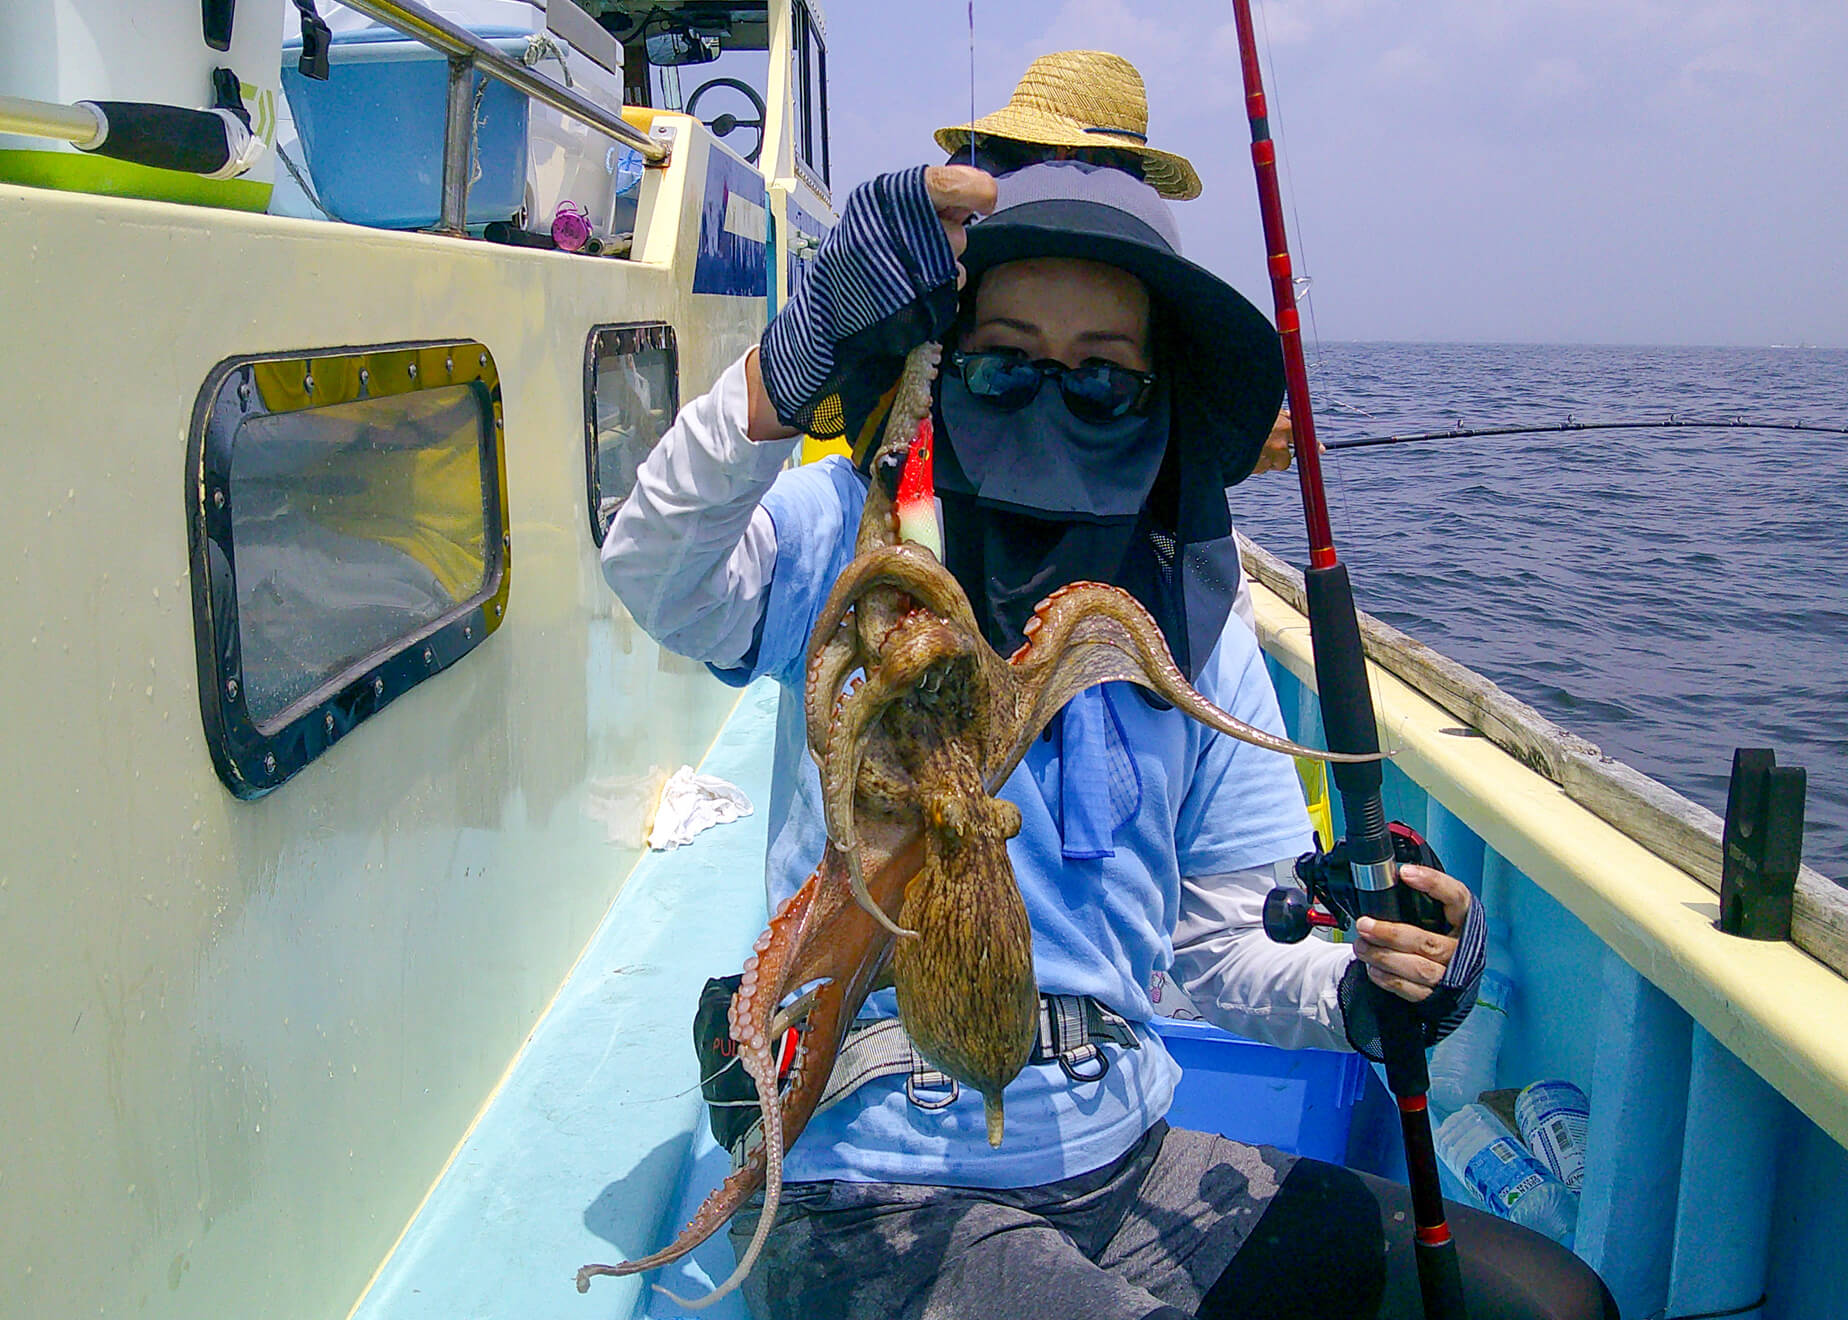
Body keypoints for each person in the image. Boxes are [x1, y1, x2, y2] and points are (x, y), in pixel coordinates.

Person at [601, 161, 1614, 1320]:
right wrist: (784, 371)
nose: (1050, 402)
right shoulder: (853, 541)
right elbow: (658, 572)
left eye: (1101, 378)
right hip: (870, 1186)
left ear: (1156, 396)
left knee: (1551, 1305)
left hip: (1127, 1164)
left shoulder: (1187, 619)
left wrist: (1377, 988)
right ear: (946, 369)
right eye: (1002, 363)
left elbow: (1224, 945)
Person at [935, 47, 1300, 479]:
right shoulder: (1148, 222)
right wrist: (1234, 433)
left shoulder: (985, 232)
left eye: (1101, 381)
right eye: (1004, 365)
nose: (988, 170)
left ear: (1061, 152)